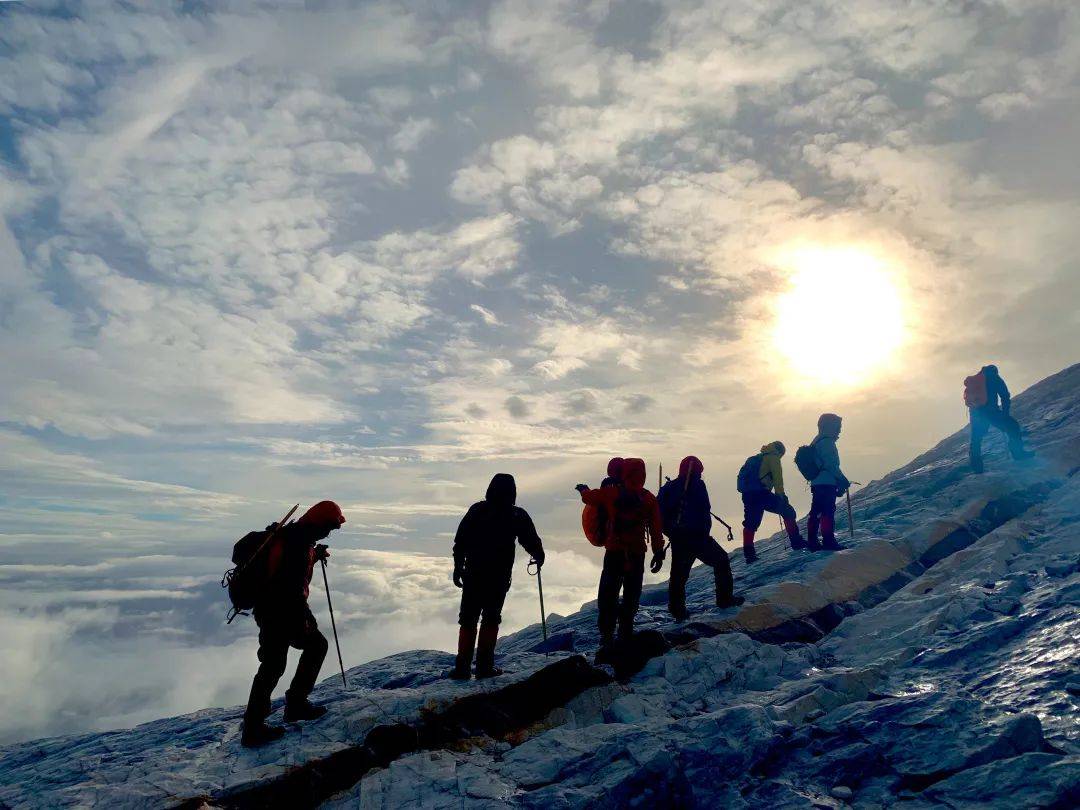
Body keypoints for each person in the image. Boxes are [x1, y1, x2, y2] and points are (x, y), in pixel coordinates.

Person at [242, 500, 344, 748]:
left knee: (276, 663)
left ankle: (270, 717)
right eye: (328, 527)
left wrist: (315, 555)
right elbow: (291, 589)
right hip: (281, 612)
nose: (328, 533)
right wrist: (306, 618)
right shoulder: (298, 544)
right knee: (282, 661)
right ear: (318, 523)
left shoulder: (295, 537)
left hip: (270, 610)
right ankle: (261, 725)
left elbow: (287, 571)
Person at [451, 474, 545, 680]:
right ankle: (484, 667)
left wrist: (458, 568)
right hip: (498, 576)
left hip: (473, 574)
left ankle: (462, 668)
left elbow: (461, 542)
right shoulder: (516, 515)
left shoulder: (477, 510)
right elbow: (530, 541)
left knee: (468, 619)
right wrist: (539, 556)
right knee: (491, 618)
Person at [576, 458, 663, 653]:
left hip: (614, 552)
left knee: (608, 595)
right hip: (637, 553)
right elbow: (656, 528)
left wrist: (583, 490)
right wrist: (658, 552)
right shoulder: (648, 498)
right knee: (632, 594)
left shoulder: (612, 493)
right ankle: (626, 632)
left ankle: (607, 635)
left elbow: (589, 498)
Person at [657, 455, 744, 621]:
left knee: (679, 576)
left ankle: (677, 611)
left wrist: (671, 532)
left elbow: (659, 515)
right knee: (721, 560)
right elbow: (705, 510)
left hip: (679, 538)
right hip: (698, 537)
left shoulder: (668, 488)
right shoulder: (697, 484)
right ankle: (724, 600)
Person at [740, 442, 806, 562]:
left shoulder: (758, 457)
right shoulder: (773, 457)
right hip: (762, 494)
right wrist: (781, 495)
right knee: (788, 512)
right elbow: (777, 478)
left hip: (748, 494)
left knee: (751, 523)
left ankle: (749, 554)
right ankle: (796, 542)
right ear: (780, 452)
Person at [966, 365, 1034, 473]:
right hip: (991, 411)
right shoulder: (995, 378)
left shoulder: (975, 381)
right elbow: (1005, 396)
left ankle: (977, 468)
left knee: (976, 439)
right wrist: (1005, 414)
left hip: (976, 414)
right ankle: (1018, 454)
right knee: (1013, 426)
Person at [807, 414, 849, 552]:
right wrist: (842, 479)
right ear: (830, 426)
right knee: (827, 512)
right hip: (827, 483)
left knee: (816, 512)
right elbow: (831, 465)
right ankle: (828, 541)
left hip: (816, 483)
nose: (839, 430)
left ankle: (812, 541)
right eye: (838, 427)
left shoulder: (817, 441)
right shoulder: (827, 442)